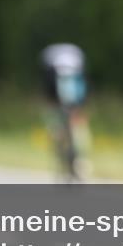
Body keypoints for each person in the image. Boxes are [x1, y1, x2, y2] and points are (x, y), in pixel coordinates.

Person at [40, 43, 91, 180]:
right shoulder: (76, 56)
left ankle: (60, 163)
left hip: (56, 96)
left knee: (56, 130)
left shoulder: (49, 57)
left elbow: (47, 89)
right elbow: (83, 86)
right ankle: (80, 163)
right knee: (78, 128)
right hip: (75, 96)